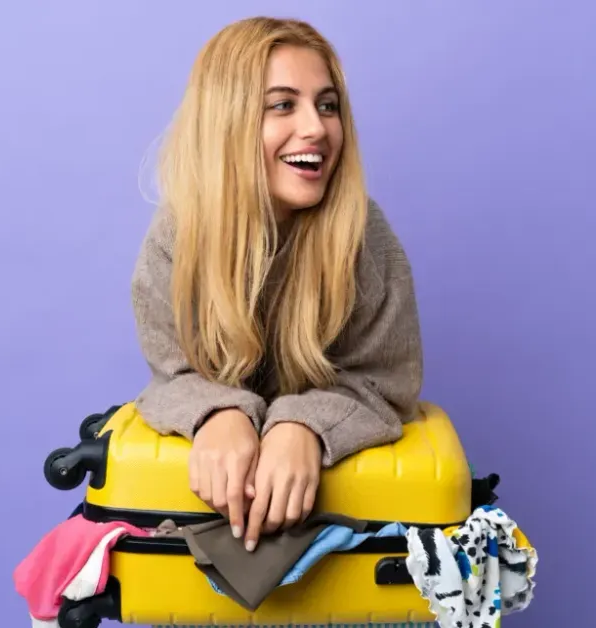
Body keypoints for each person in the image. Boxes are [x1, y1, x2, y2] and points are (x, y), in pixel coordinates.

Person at [130, 16, 424, 552]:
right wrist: (216, 413)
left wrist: (304, 427)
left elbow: (388, 380)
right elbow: (170, 373)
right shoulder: (176, 239)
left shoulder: (364, 237)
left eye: (327, 104)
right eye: (283, 104)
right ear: (228, 121)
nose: (316, 127)